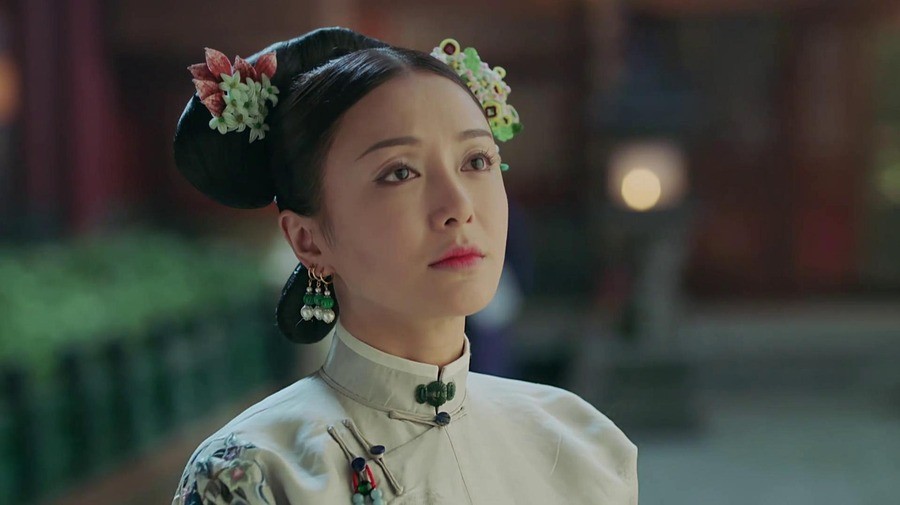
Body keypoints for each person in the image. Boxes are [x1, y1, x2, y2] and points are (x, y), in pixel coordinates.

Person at [171, 26, 638, 504]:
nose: (458, 206)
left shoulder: (580, 445)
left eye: (477, 161)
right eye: (400, 172)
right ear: (308, 241)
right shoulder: (255, 472)